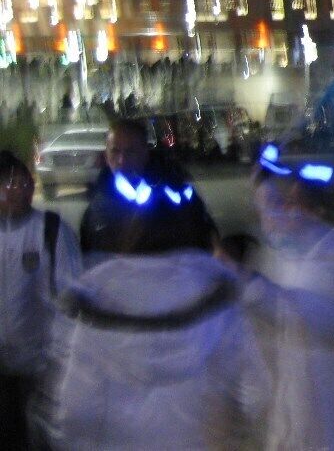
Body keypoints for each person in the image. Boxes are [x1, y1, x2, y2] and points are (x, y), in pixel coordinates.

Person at [45, 162, 267, 449]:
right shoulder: (214, 289)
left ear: (131, 229)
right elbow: (254, 389)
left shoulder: (97, 291)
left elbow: (76, 407)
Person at [239, 146, 334, 450]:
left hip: (324, 415)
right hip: (288, 410)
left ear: (319, 213)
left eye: (294, 204)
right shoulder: (294, 244)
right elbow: (269, 209)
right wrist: (260, 177)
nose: (283, 211)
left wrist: (254, 289)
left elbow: (319, 318)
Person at [0, 151, 82, 449]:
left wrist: (61, 357)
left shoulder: (51, 231)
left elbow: (71, 298)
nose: (22, 189)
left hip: (42, 370)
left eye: (25, 182)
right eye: (11, 183)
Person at [79, 117, 217, 257]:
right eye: (115, 151)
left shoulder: (173, 189)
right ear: (106, 155)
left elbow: (202, 227)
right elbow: (90, 250)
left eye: (130, 151)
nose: (122, 160)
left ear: (144, 152)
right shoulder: (99, 200)